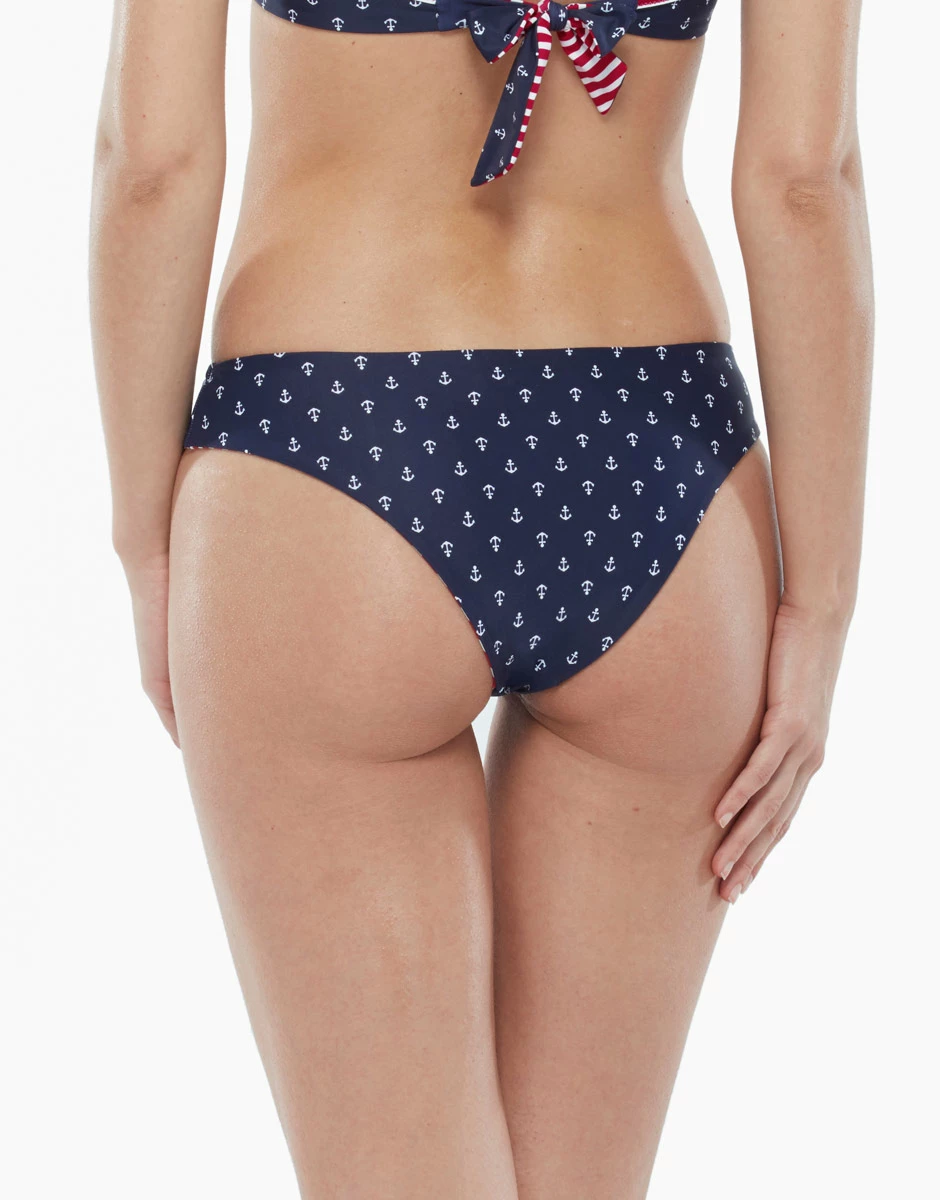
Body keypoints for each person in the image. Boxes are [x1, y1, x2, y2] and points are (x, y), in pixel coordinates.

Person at [89, 0, 872, 1194]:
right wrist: (819, 604)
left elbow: (153, 165)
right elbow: (804, 181)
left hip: (331, 441)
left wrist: (147, 544)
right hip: (659, 466)